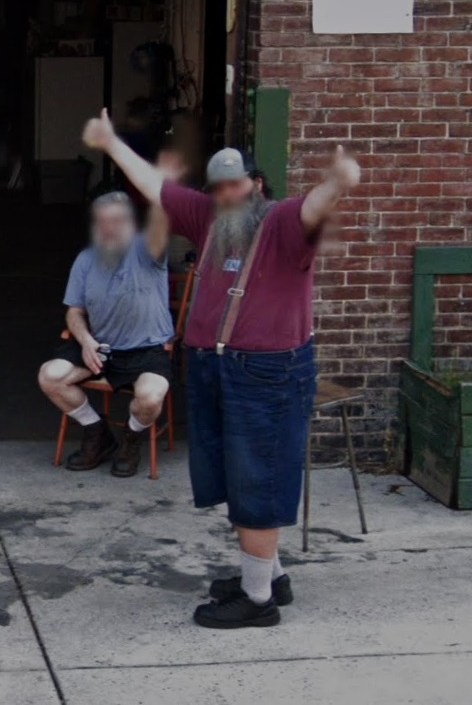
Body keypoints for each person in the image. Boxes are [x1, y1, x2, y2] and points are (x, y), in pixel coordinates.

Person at [83, 108, 360, 629]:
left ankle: (257, 602)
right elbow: (156, 186)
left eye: (237, 185)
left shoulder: (283, 222)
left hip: (266, 373)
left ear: (257, 184)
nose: (228, 195)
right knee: (236, 474)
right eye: (219, 188)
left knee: (258, 477)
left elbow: (315, 206)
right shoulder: (208, 218)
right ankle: (270, 576)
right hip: (217, 366)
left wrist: (338, 183)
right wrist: (112, 143)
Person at [38, 191, 173, 477]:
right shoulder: (85, 259)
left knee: (150, 397)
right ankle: (97, 431)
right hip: (100, 347)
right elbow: (74, 312)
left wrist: (158, 188)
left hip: (146, 349)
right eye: (102, 221)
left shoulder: (148, 249)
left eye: (117, 220)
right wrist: (87, 341)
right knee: (50, 376)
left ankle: (131, 439)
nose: (109, 227)